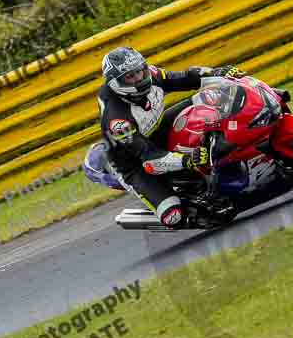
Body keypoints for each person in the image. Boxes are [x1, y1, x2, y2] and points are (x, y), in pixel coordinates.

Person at [94, 45, 244, 229]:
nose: (139, 79)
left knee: (209, 101)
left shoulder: (153, 75)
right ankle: (181, 208)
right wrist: (189, 160)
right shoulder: (117, 120)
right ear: (116, 82)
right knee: (173, 216)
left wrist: (220, 73)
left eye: (140, 71)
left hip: (158, 127)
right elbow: (150, 159)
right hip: (134, 162)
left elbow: (186, 79)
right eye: (130, 77)